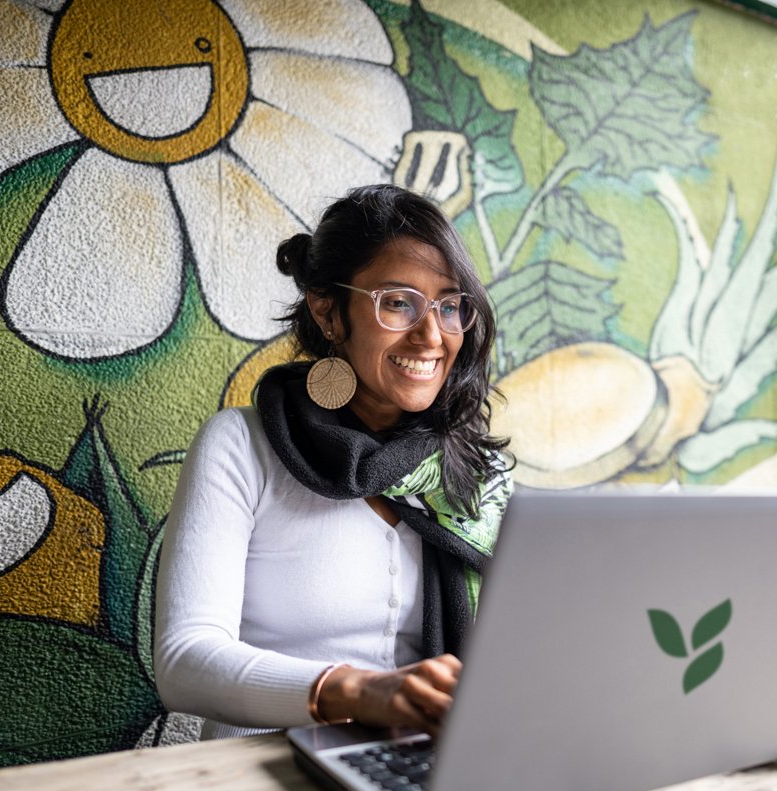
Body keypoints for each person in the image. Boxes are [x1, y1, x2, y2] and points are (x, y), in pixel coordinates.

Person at [154, 185, 512, 740]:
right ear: (327, 311)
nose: (431, 334)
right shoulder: (242, 448)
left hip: (417, 775)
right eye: (398, 302)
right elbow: (184, 663)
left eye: (449, 305)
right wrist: (361, 692)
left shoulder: (473, 475)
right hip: (259, 781)